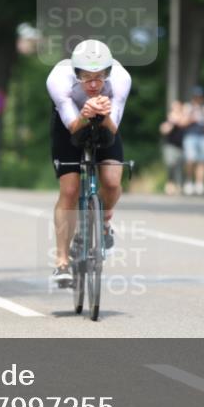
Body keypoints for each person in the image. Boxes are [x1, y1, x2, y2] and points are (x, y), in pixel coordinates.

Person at [46, 39, 131, 287]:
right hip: (70, 124)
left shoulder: (120, 80)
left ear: (108, 73)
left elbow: (112, 129)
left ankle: (104, 225)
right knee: (70, 190)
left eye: (99, 77)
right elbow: (72, 127)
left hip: (105, 123)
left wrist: (101, 114)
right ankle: (62, 261)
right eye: (86, 78)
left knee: (113, 182)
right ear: (76, 74)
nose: (94, 85)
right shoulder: (58, 79)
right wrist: (84, 113)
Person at [181, 86, 204, 195]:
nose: (198, 99)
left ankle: (199, 183)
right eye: (196, 96)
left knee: (202, 161)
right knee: (190, 159)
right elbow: (182, 122)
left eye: (199, 96)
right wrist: (191, 117)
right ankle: (189, 181)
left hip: (203, 137)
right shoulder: (188, 107)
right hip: (190, 136)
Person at [159, 100, 185, 195]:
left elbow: (183, 122)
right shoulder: (169, 119)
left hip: (181, 146)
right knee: (171, 165)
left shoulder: (184, 117)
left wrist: (177, 119)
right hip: (170, 146)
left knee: (180, 167)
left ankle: (179, 186)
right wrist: (171, 122)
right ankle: (170, 185)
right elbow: (163, 130)